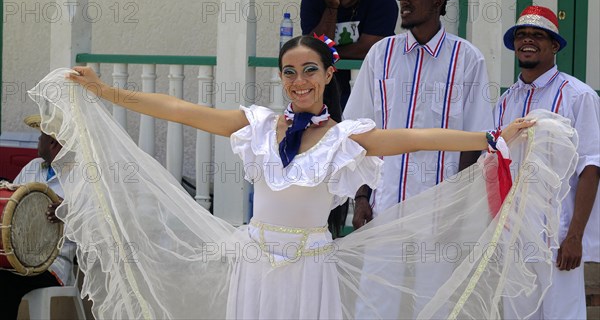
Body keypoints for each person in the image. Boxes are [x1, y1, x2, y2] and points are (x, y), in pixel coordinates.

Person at [29, 36, 559, 319]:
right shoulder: (257, 125)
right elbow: (178, 108)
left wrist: (492, 137)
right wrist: (106, 93)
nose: (299, 81)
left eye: (310, 70)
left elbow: (416, 136)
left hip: (309, 269)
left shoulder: (346, 137)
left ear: (330, 76)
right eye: (289, 71)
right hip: (256, 263)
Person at [344, 0, 494, 228]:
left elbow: (474, 138)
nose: (405, 2)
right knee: (379, 272)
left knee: (437, 270)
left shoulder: (467, 59)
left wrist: (457, 203)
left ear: (438, 1)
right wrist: (362, 196)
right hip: (384, 206)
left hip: (439, 212)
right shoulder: (381, 54)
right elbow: (359, 130)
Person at [495, 5, 600, 319]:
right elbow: (496, 165)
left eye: (538, 35)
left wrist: (575, 237)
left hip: (559, 240)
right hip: (514, 239)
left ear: (554, 45)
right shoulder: (506, 100)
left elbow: (591, 167)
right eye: (521, 35)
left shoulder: (578, 96)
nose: (527, 41)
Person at [0, 114, 76, 320]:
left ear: (52, 142)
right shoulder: (33, 166)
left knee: (4, 284)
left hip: (52, 266)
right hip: (18, 258)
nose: (38, 141)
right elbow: (11, 208)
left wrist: (67, 213)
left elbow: (93, 227)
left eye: (41, 137)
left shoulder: (79, 178)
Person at [300, 0, 398, 107]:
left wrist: (327, 53)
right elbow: (314, 47)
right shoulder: (313, 0)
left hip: (371, 86)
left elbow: (370, 49)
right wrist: (331, 7)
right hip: (328, 87)